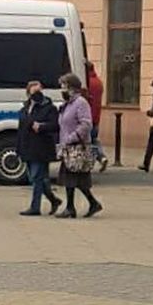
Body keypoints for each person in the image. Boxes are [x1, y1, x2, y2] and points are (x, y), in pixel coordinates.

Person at [56, 73, 103, 218]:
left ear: (72, 88)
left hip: (77, 146)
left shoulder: (81, 103)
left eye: (64, 86)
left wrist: (72, 137)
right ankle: (86, 204)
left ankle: (72, 208)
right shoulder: (67, 104)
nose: (62, 89)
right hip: (67, 147)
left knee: (74, 178)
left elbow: (86, 124)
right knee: (73, 179)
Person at [17, 80, 61, 216]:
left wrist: (41, 127)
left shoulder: (49, 108)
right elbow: (22, 127)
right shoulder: (25, 107)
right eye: (34, 91)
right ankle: (54, 200)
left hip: (42, 148)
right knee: (36, 179)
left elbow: (55, 126)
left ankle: (35, 207)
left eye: (39, 91)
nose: (37, 94)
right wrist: (18, 148)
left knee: (37, 178)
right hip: (28, 147)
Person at [86, 61, 108, 172]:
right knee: (93, 139)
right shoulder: (98, 82)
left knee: (87, 142)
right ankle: (101, 157)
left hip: (87, 117)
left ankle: (91, 162)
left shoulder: (87, 83)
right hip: (96, 117)